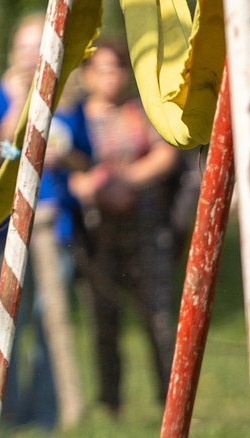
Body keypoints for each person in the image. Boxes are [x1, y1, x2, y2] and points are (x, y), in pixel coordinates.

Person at [0, 15, 89, 432]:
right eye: (25, 48)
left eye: (37, 47)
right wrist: (18, 107)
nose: (31, 56)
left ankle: (47, 414)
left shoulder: (70, 100)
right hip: (8, 225)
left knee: (51, 321)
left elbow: (85, 158)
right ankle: (3, 417)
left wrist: (67, 159)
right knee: (9, 321)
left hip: (54, 224)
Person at [69, 38, 180, 416]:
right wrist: (91, 188)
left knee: (159, 317)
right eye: (100, 69)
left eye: (116, 67)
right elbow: (60, 164)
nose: (110, 77)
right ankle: (110, 404)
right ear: (85, 76)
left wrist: (127, 180)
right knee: (103, 319)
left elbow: (167, 153)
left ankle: (172, 401)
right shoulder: (74, 120)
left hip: (145, 229)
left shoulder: (142, 112)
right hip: (96, 236)